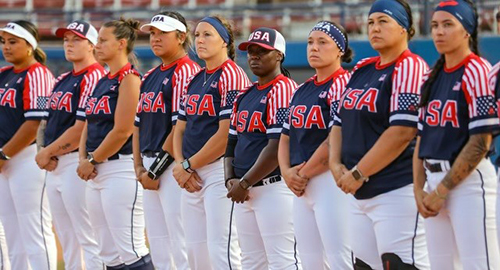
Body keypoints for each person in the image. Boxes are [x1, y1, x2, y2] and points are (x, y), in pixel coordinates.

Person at [328, 0, 430, 268]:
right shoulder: (362, 69)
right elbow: (339, 122)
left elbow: (402, 132)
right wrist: (334, 163)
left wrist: (359, 172)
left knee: (400, 264)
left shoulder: (410, 66)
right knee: (363, 266)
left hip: (395, 188)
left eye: (383, 21)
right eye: (371, 22)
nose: (374, 28)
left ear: (404, 28)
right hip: (356, 192)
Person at [415, 1, 500, 269]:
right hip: (432, 181)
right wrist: (419, 190)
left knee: (479, 265)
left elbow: (480, 141)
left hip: (468, 182)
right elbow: (420, 140)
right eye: (435, 26)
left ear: (467, 31)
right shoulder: (431, 76)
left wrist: (441, 191)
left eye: (448, 24)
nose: (439, 32)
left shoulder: (477, 69)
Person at [172, 15, 250, 270]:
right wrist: (180, 164)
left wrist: (186, 166)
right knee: (195, 251)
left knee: (222, 248)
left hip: (220, 171)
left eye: (208, 34)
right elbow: (179, 129)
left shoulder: (232, 75)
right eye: (197, 35)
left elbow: (226, 134)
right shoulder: (196, 78)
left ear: (224, 42)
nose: (200, 40)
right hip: (192, 172)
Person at [76, 18, 152, 269]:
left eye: (102, 40)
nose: (97, 46)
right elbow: (88, 123)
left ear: (121, 44)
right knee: (107, 252)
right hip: (96, 169)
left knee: (130, 249)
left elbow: (123, 130)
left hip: (120, 169)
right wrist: (82, 158)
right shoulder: (102, 79)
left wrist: (92, 159)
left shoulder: (129, 78)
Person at [278, 20, 353, 270]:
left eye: (323, 42)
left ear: (340, 49)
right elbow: (285, 136)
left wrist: (301, 173)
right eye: (311, 42)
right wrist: (286, 172)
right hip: (301, 183)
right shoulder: (302, 89)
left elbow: (335, 140)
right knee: (309, 261)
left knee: (340, 257)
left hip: (330, 180)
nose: (314, 47)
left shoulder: (343, 83)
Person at [225, 27, 299, 269]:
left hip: (273, 188)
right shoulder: (244, 94)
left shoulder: (283, 88)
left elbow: (276, 147)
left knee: (282, 261)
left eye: (262, 51)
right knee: (252, 262)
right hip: (244, 191)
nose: (254, 56)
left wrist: (243, 183)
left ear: (279, 55)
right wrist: (230, 180)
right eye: (251, 51)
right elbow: (231, 143)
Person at [34, 20, 105, 270]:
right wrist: (47, 152)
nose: (69, 44)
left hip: (78, 162)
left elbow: (80, 128)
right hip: (56, 164)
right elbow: (47, 123)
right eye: (66, 39)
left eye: (77, 39)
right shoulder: (63, 77)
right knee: (67, 236)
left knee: (89, 236)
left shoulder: (95, 75)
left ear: (92, 45)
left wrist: (47, 152)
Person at [132, 11, 200, 269]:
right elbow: (137, 126)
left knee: (180, 242)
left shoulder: (185, 71)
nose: (155, 38)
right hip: (149, 166)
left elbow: (179, 130)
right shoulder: (150, 76)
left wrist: (156, 168)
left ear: (181, 37)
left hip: (172, 167)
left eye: (163, 33)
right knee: (159, 244)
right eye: (153, 33)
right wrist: (138, 167)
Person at [0, 20, 58, 270]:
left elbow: (35, 123)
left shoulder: (38, 74)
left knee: (34, 228)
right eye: (3, 42)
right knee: (12, 230)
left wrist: (4, 154)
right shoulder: (4, 74)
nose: (6, 47)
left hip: (27, 157)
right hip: (5, 158)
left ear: (30, 46)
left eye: (13, 42)